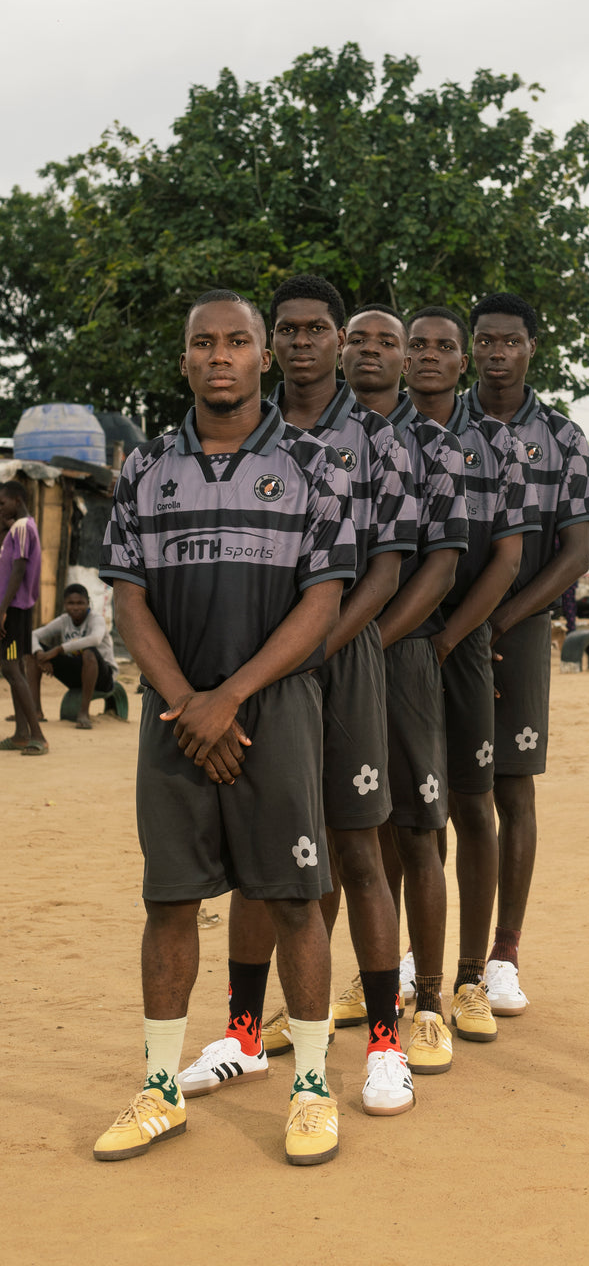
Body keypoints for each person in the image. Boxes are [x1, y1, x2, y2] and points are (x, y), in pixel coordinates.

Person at [94, 290, 357, 1166]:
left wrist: (232, 697)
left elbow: (323, 600)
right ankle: (161, 1087)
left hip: (273, 711)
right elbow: (128, 599)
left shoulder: (317, 465)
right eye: (202, 343)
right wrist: (188, 702)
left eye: (237, 341)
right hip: (176, 713)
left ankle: (313, 1088)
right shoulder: (145, 470)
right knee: (169, 899)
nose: (219, 355)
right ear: (184, 362)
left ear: (262, 358)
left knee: (292, 899)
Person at [177, 275, 420, 1118]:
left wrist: (322, 645)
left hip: (341, 656)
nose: (307, 341)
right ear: (271, 343)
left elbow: (387, 568)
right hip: (254, 662)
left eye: (322, 328)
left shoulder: (380, 440)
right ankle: (243, 1035)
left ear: (340, 337)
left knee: (358, 849)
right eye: (291, 329)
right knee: (259, 855)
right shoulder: (247, 431)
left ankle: (387, 1044)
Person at [463, 292, 589, 1014]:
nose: (495, 352)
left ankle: (503, 954)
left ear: (531, 348)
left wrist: (505, 617)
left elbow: (576, 552)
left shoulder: (563, 437)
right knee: (428, 792)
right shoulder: (438, 427)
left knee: (511, 789)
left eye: (509, 341)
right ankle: (420, 952)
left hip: (514, 632)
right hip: (440, 623)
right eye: (484, 340)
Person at [404, 305, 541, 1043]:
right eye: (416, 344)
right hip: (398, 644)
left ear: (462, 364)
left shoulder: (497, 445)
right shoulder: (376, 437)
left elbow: (509, 560)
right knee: (399, 814)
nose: (429, 356)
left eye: (444, 347)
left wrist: (452, 640)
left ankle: (471, 974)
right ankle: (400, 966)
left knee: (472, 806)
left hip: (460, 643)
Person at [348, 303, 469, 1074]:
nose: (370, 350)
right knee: (338, 833)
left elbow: (442, 565)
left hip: (400, 657)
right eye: (356, 338)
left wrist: (365, 643)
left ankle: (429, 1003)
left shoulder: (437, 447)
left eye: (385, 341)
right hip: (315, 656)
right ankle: (358, 988)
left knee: (419, 830)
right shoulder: (304, 439)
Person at [27, 583, 118, 728]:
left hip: (103, 677)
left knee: (89, 652)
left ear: (88, 603)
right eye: (71, 603)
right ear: (64, 605)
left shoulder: (96, 619)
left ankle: (83, 713)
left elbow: (95, 639)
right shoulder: (64, 620)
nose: (75, 607)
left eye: (80, 603)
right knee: (31, 654)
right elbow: (33, 635)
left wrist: (58, 650)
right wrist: (40, 656)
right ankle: (36, 711)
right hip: (77, 674)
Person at [0, 480, 47, 754]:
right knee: (12, 667)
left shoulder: (22, 527)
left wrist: (3, 610)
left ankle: (38, 735)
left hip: (14, 610)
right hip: (14, 609)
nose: (0, 508)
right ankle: (20, 733)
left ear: (17, 500)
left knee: (11, 668)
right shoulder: (18, 528)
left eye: (2, 502)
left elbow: (18, 570)